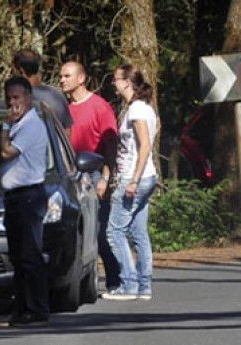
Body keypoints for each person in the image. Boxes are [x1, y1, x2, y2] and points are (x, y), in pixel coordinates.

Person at [59, 61, 121, 292]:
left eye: (67, 76)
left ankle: (116, 278)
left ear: (81, 78)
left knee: (97, 231)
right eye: (61, 76)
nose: (62, 80)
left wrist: (105, 177)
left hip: (93, 173)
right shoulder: (64, 109)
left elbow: (111, 143)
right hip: (68, 174)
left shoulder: (99, 106)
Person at [0, 76, 50, 327]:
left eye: (17, 98)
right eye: (9, 99)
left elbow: (6, 152)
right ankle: (21, 307)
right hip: (15, 197)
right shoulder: (17, 124)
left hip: (29, 196)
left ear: (29, 99)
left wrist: (4, 126)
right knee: (18, 257)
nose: (12, 104)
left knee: (30, 255)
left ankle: (36, 308)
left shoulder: (31, 125)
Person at [100, 64, 157, 301]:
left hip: (135, 178)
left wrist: (133, 180)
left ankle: (129, 284)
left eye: (115, 80)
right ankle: (144, 285)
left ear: (126, 82)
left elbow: (145, 144)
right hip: (146, 176)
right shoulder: (145, 109)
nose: (113, 84)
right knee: (138, 231)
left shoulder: (136, 110)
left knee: (114, 231)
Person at [12, 48, 73, 135]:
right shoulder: (57, 95)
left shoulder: (19, 100)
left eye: (14, 72)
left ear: (21, 71)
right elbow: (67, 132)